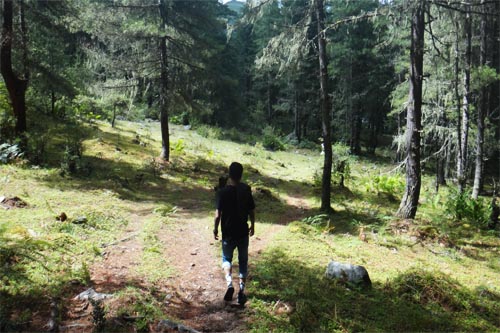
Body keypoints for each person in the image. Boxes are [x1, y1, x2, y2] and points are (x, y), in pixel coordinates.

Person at [213, 162, 255, 305]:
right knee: (243, 261)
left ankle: (230, 284)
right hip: (243, 232)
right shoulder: (246, 189)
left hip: (228, 233)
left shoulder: (222, 192)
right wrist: (253, 225)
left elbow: (218, 214)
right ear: (241, 174)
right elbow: (251, 210)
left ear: (229, 175)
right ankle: (241, 290)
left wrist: (215, 228)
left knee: (226, 259)